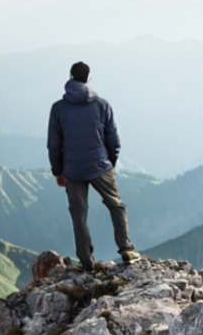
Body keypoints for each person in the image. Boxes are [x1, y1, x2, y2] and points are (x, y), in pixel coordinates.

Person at [47, 61, 141, 269]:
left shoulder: (58, 109)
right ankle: (127, 249)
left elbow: (54, 145)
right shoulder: (102, 105)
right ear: (89, 78)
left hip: (72, 169)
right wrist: (110, 163)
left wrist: (58, 171)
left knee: (79, 214)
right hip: (100, 165)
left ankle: (86, 261)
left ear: (70, 76)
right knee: (116, 205)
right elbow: (113, 141)